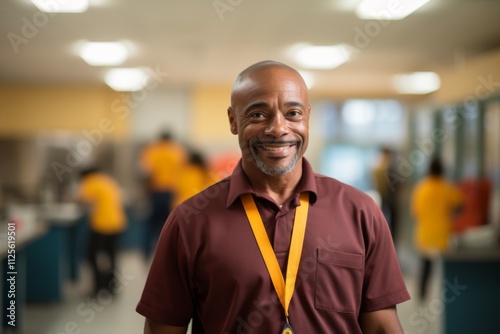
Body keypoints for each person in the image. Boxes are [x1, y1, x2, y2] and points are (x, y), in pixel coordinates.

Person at [136, 60, 410, 333]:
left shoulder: (360, 212)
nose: (278, 129)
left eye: (292, 113)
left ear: (307, 118)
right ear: (233, 120)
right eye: (257, 115)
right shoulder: (189, 222)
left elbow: (382, 326)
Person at [411, 158, 464, 300]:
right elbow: (459, 206)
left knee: (425, 266)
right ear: (442, 171)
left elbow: (415, 212)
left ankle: (422, 294)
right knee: (445, 269)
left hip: (425, 234)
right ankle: (446, 296)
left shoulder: (421, 188)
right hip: (443, 235)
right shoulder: (447, 188)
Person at [77, 167, 127, 296]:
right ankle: (112, 286)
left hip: (101, 224)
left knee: (92, 255)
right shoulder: (108, 180)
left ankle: (99, 287)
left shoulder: (90, 181)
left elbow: (82, 200)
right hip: (117, 223)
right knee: (111, 255)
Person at [139, 131, 188, 259]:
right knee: (170, 225)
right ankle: (167, 254)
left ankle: (147, 253)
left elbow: (146, 173)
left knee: (151, 224)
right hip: (173, 193)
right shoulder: (178, 151)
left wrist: (146, 190)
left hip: (156, 192)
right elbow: (184, 172)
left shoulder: (152, 151)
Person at [372, 147, 400, 244]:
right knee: (390, 226)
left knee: (383, 224)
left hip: (383, 200)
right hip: (389, 201)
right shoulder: (387, 169)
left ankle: (384, 244)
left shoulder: (377, 168)